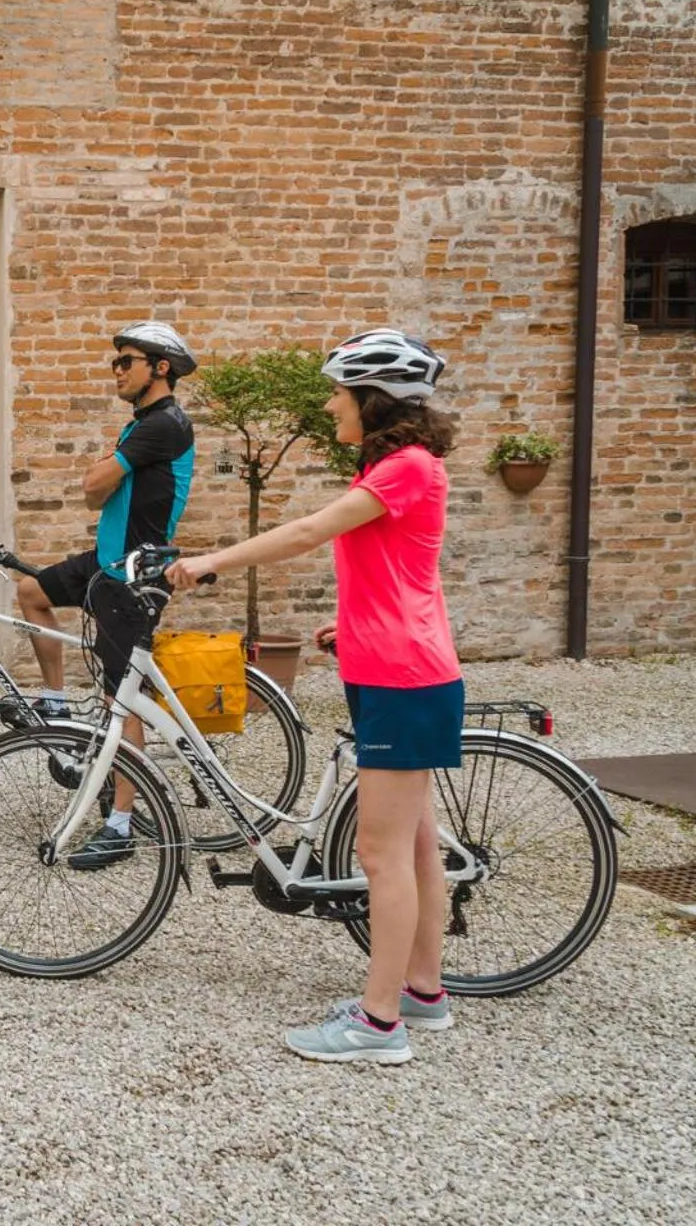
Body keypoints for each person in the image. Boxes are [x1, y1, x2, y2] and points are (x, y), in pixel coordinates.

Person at [168, 328, 460, 1065]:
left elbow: (307, 531)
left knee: (380, 853)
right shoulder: (399, 467)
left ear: (375, 399)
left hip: (401, 676)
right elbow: (400, 569)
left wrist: (209, 562)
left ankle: (379, 1024)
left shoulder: (407, 467)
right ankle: (423, 993)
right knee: (415, 844)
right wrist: (351, 622)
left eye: (339, 394)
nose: (331, 406)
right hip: (392, 663)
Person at [14, 320, 198, 871]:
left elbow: (94, 485)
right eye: (116, 362)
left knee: (122, 699)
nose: (116, 371)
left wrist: (103, 473)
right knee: (31, 592)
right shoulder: (140, 425)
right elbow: (95, 499)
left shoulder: (163, 425)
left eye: (126, 361)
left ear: (159, 368)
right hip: (105, 563)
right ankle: (54, 702)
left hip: (134, 579)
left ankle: (120, 824)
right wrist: (103, 476)